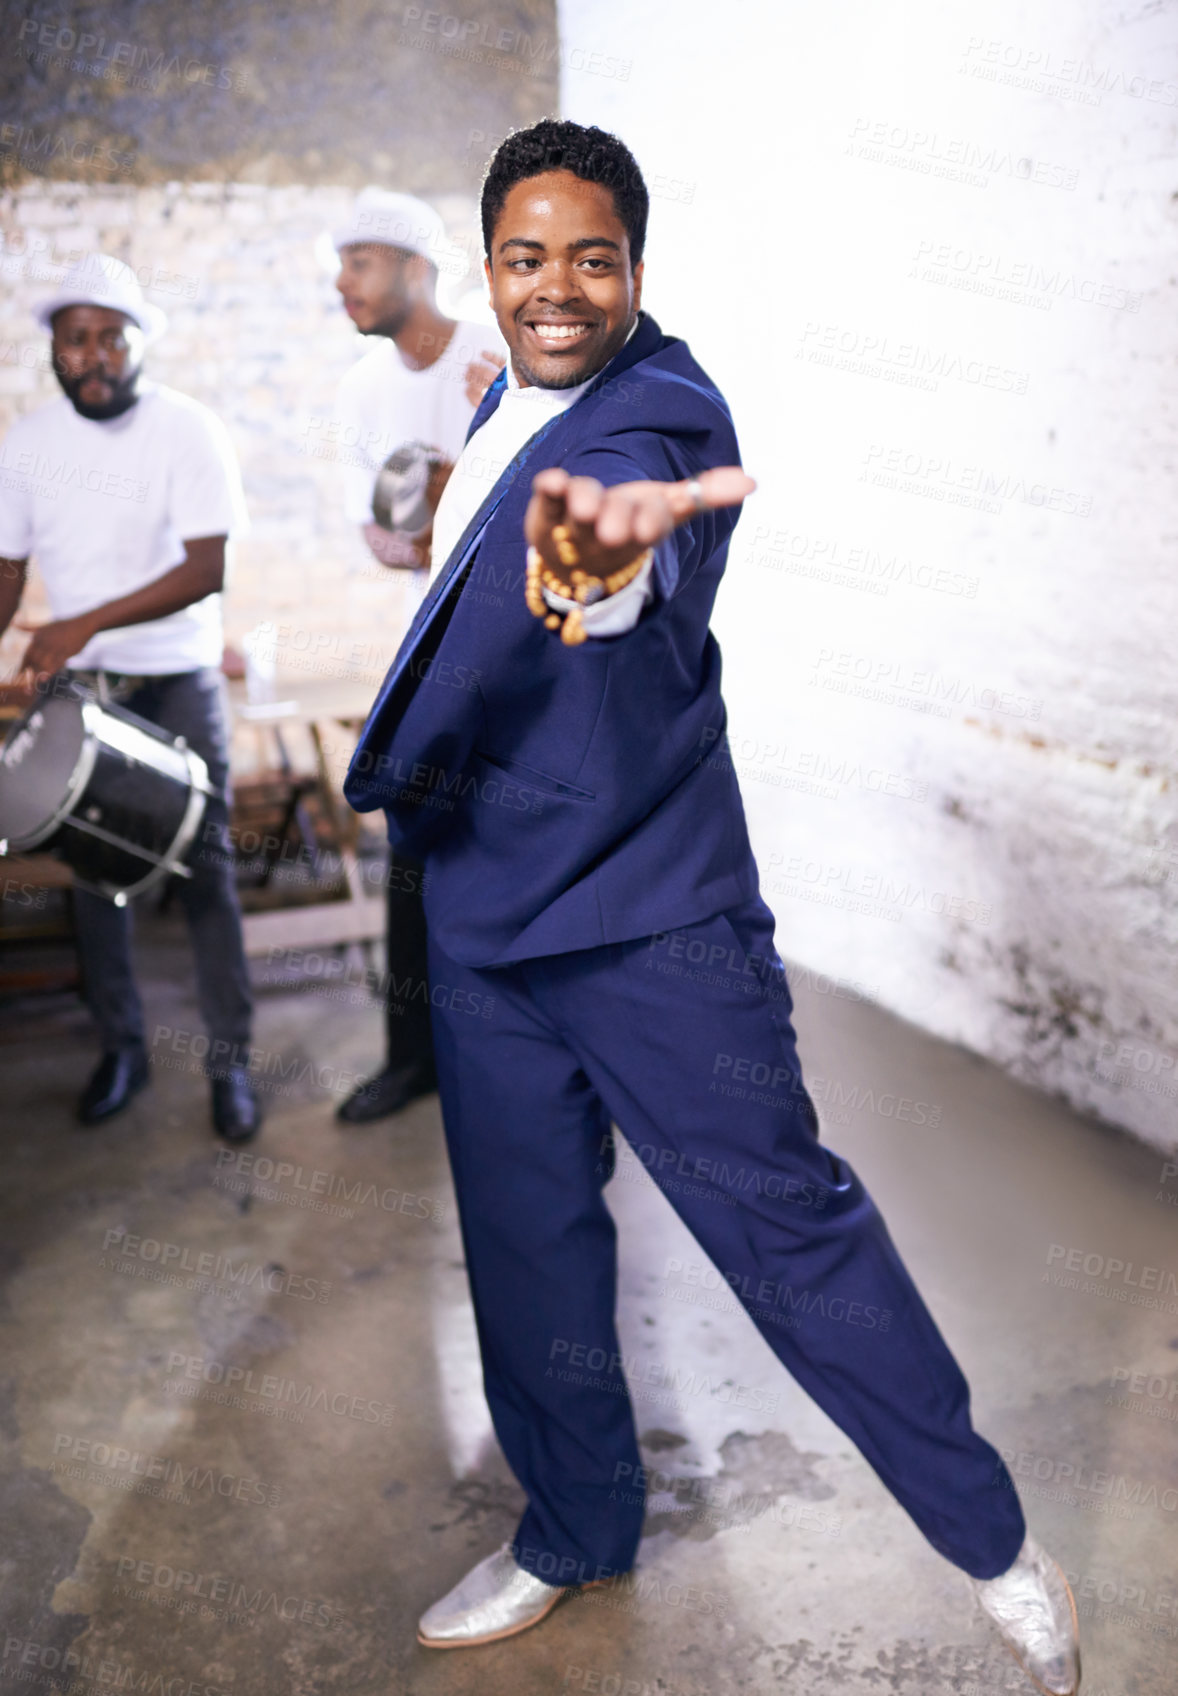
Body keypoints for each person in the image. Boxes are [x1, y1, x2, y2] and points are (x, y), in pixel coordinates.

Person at [343, 123, 1079, 1694]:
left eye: (591, 258)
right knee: (527, 1252)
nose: (558, 288)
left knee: (788, 1237)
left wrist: (591, 568)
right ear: (489, 273)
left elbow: (611, 544)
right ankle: (571, 1530)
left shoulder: (659, 417)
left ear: (635, 270)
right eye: (527, 257)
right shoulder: (495, 399)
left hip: (646, 926)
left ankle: (993, 1544)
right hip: (483, 919)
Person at [0, 254, 261, 1142]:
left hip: (177, 678)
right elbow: (8, 565)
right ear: (55, 351)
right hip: (84, 697)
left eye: (112, 336)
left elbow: (206, 567)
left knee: (206, 870)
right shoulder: (27, 443)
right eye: (77, 339)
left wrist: (75, 625)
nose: (95, 353)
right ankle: (124, 1049)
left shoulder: (188, 430)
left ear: (139, 344)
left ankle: (231, 1066)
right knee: (92, 878)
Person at [329, 187, 504, 1124]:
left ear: (413, 268)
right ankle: (412, 1058)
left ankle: (533, 1065)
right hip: (429, 646)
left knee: (517, 848)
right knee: (410, 848)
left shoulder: (493, 355)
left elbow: (524, 505)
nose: (342, 283)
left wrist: (456, 487)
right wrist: (430, 515)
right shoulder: (360, 391)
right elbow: (382, 533)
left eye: (358, 263)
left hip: (517, 649)